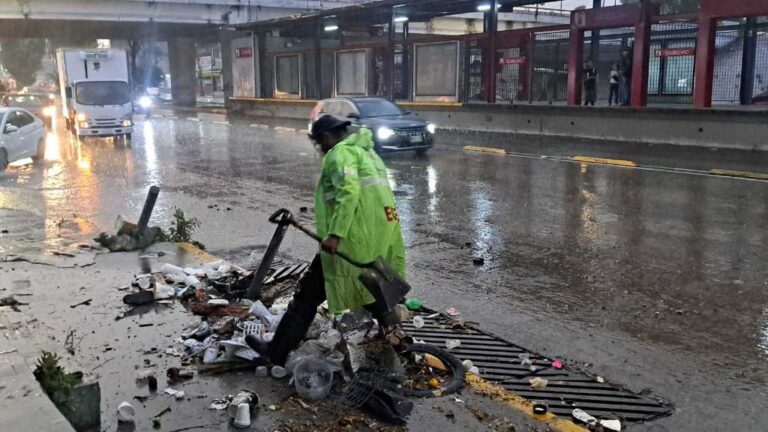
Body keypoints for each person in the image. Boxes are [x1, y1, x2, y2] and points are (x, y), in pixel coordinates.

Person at [246, 115, 407, 366]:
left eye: (318, 141)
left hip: (351, 239)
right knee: (371, 289)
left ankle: (275, 352)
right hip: (376, 238)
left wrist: (335, 234)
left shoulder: (339, 154)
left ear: (327, 136)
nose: (319, 148)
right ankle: (400, 339)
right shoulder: (369, 155)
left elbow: (349, 192)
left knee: (306, 295)